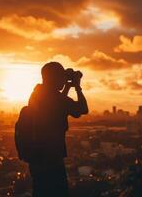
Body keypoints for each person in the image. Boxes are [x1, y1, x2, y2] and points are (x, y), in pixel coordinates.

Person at [27, 62, 88, 197]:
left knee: (41, 192)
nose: (63, 79)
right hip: (52, 158)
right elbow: (82, 109)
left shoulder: (36, 94)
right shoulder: (57, 99)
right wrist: (77, 87)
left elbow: (57, 108)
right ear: (54, 78)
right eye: (61, 76)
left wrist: (66, 87)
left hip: (37, 158)